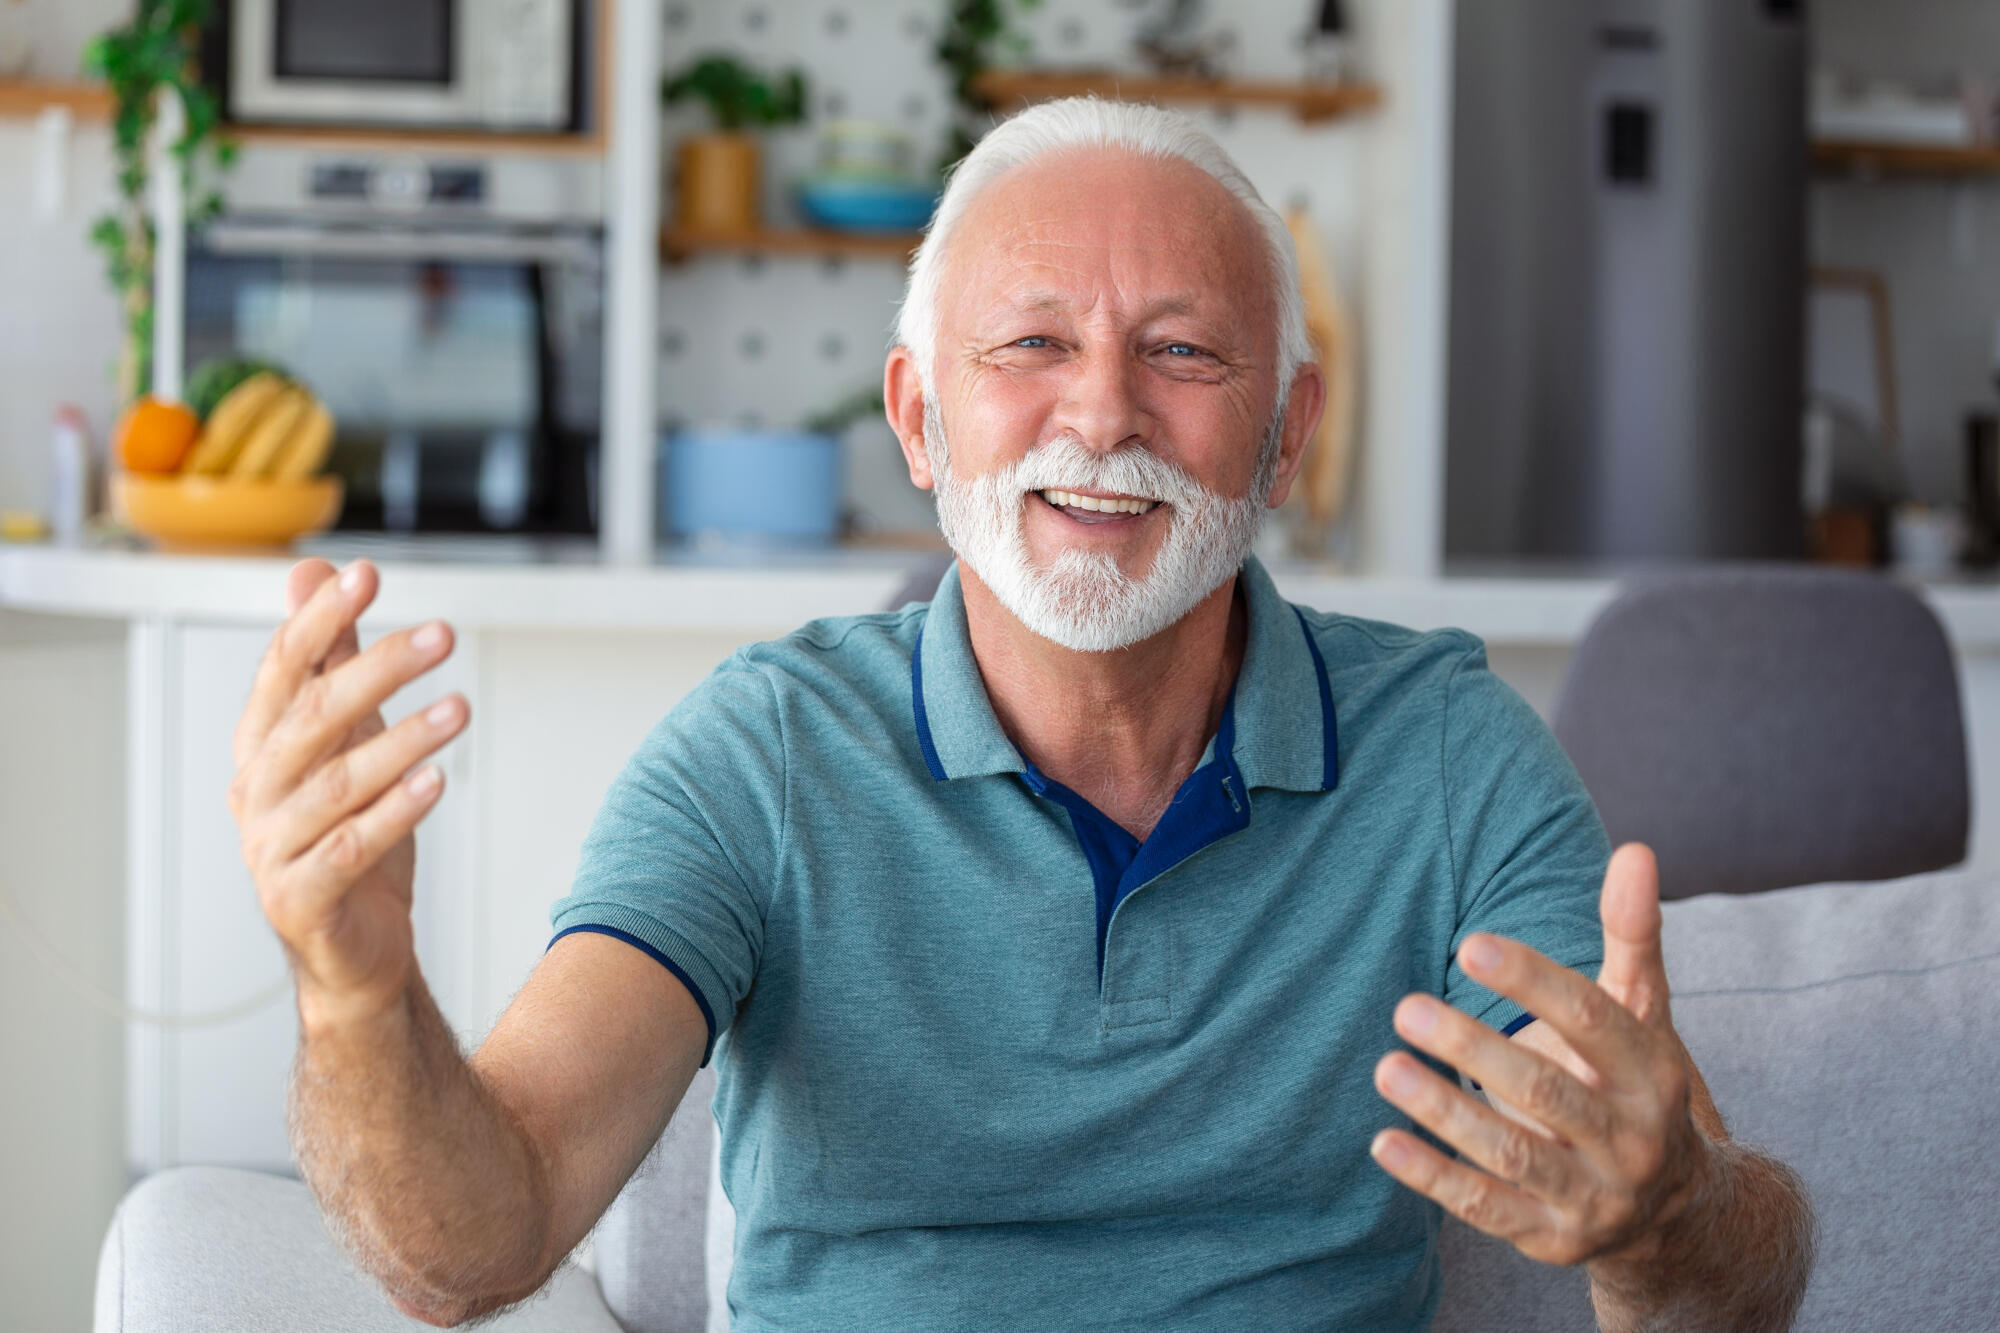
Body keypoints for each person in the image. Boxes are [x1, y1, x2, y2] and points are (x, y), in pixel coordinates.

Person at [227, 99, 1813, 1330]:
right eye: (1032, 345)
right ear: (919, 417)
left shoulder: (1452, 755)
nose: (1106, 410)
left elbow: (1733, 1276)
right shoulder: (763, 755)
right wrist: (356, 994)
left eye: (1183, 351)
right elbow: (479, 1239)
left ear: (1284, 433)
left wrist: (1667, 1209)